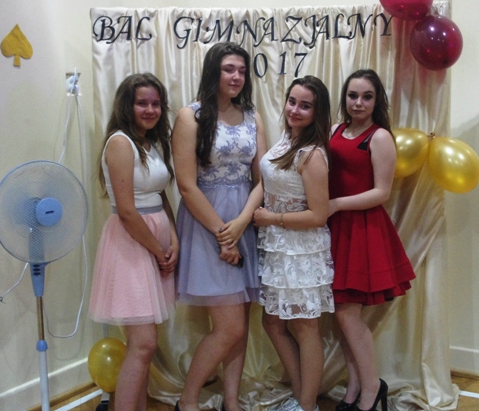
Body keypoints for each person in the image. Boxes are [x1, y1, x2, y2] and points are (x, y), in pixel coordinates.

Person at [172, 42, 267, 411]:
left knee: (240, 324)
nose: (237, 76)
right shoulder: (190, 116)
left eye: (242, 70)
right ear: (214, 71)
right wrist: (223, 233)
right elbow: (186, 184)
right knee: (230, 328)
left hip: (244, 218)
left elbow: (262, 179)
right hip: (206, 221)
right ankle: (187, 401)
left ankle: (232, 401)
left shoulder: (252, 116)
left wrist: (242, 222)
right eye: (229, 69)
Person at [88, 73, 178, 411]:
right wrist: (158, 250)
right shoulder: (120, 143)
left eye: (156, 103)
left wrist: (174, 239)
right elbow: (127, 211)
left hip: (154, 243)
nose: (150, 110)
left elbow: (161, 195)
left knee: (142, 346)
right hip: (131, 245)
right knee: (143, 344)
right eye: (142, 103)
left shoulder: (150, 143)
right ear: (127, 105)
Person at [327, 69, 416, 411]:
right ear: (345, 97)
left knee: (347, 314)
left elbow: (382, 192)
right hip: (335, 229)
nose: (358, 103)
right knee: (341, 315)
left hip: (363, 230)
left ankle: (371, 388)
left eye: (367, 96)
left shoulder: (379, 137)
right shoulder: (335, 130)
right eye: (353, 95)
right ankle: (354, 387)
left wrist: (336, 204)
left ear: (377, 100)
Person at [253, 76, 334, 411]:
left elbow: (318, 214)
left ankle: (307, 404)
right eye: (292, 102)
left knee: (304, 327)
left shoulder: (311, 154)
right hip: (277, 247)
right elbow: (266, 183)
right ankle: (303, 396)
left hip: (301, 249)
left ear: (317, 113)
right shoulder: (286, 140)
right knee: (272, 322)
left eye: (305, 106)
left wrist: (272, 218)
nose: (295, 110)